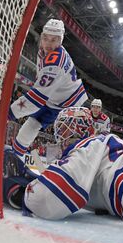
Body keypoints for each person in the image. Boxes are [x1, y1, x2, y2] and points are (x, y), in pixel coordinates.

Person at [2, 107, 123, 220]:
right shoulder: (100, 144)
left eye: (62, 130)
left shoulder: (88, 145)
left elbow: (50, 199)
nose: (59, 136)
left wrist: (15, 191)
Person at [8, 19, 87, 160]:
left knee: (65, 142)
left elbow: (36, 100)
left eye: (53, 40)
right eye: (45, 38)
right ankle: (15, 158)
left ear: (60, 41)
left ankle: (71, 169)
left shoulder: (55, 61)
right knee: (31, 125)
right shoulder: (44, 51)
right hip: (58, 97)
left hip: (67, 103)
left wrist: (9, 113)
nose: (48, 44)